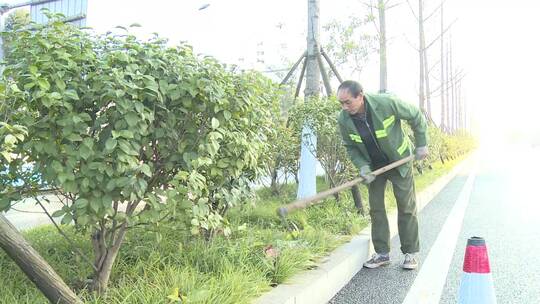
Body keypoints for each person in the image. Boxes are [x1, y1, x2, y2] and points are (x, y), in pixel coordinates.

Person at [336, 80, 428, 270]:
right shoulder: (344, 119)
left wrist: (422, 143)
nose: (345, 107)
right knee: (376, 208)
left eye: (348, 102)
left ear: (360, 96)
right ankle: (382, 254)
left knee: (406, 206)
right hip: (374, 168)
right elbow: (350, 147)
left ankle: (410, 253)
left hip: (399, 161)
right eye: (341, 103)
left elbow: (416, 116)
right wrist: (362, 166)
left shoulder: (386, 103)